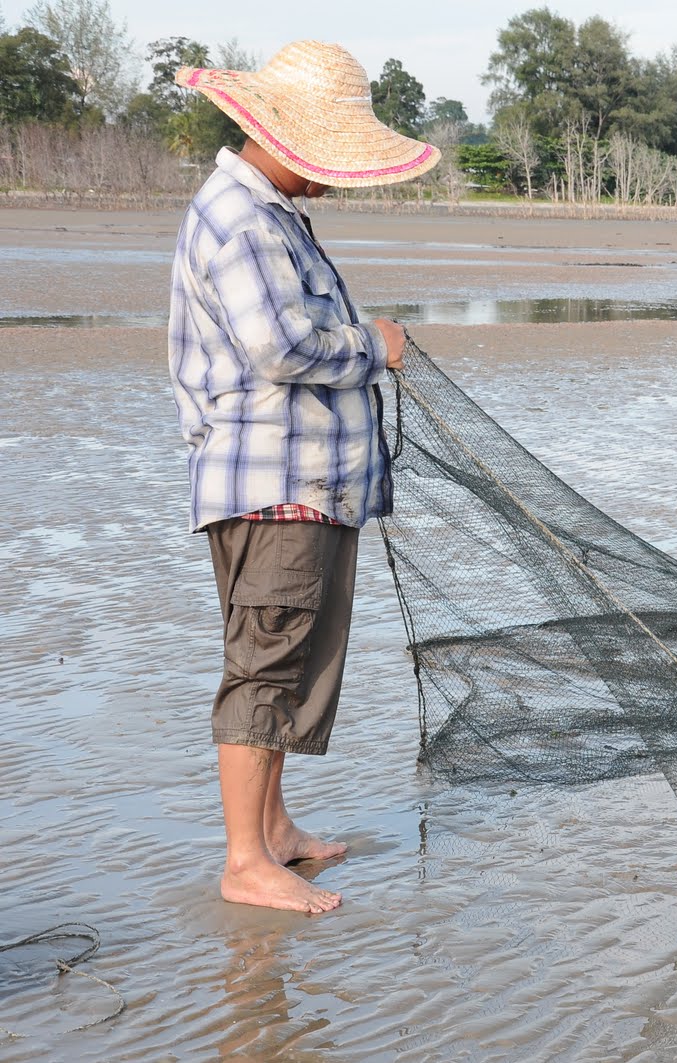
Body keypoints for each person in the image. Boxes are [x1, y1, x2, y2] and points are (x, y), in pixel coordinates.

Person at [168, 40, 438, 912]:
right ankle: (245, 861)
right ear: (274, 134)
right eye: (324, 160)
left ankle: (274, 830)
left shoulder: (270, 210)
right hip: (276, 488)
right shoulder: (243, 219)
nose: (330, 180)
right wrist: (375, 345)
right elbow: (278, 347)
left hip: (306, 487)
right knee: (266, 663)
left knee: (288, 660)